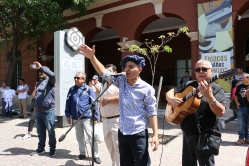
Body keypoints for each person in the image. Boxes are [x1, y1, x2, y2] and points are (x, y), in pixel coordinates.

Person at [78, 44, 159, 166]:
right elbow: (104, 73)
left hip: (138, 133)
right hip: (123, 132)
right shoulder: (121, 82)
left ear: (140, 69)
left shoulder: (147, 89)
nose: (127, 69)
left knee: (142, 163)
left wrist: (156, 135)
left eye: (131, 67)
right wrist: (92, 57)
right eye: (126, 66)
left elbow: (152, 112)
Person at [166, 60, 226, 166]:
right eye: (198, 69)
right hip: (187, 134)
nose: (201, 71)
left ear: (211, 71)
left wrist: (209, 97)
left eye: (204, 69)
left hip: (205, 137)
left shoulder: (217, 90)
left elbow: (221, 112)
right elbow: (170, 92)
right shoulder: (189, 85)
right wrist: (172, 99)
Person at [65, 72, 101, 164]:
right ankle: (82, 153)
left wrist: (95, 117)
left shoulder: (89, 89)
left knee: (90, 137)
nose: (76, 79)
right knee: (79, 136)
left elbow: (94, 104)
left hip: (86, 117)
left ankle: (95, 155)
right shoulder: (71, 89)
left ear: (83, 79)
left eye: (78, 78)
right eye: (75, 77)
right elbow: (68, 103)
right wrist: (68, 115)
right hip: (75, 118)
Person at [30, 62, 57, 157]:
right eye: (39, 72)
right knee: (40, 132)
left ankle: (52, 149)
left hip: (49, 111)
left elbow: (52, 74)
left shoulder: (51, 81)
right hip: (39, 111)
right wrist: (35, 106)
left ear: (46, 71)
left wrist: (41, 67)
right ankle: (41, 148)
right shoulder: (39, 83)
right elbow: (37, 96)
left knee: (50, 131)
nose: (40, 73)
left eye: (42, 72)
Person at [100, 64, 120, 166]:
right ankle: (114, 164)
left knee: (118, 147)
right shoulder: (104, 84)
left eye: (109, 71)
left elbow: (123, 98)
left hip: (116, 120)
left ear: (115, 73)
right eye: (105, 71)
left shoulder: (118, 85)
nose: (106, 74)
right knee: (110, 146)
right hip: (105, 120)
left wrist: (108, 100)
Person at [234, 74, 249, 145]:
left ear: (248, 79)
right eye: (241, 78)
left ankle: (247, 138)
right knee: (241, 124)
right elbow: (236, 95)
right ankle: (241, 138)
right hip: (241, 107)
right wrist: (237, 102)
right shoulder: (239, 86)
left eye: (243, 78)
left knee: (248, 124)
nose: (242, 79)